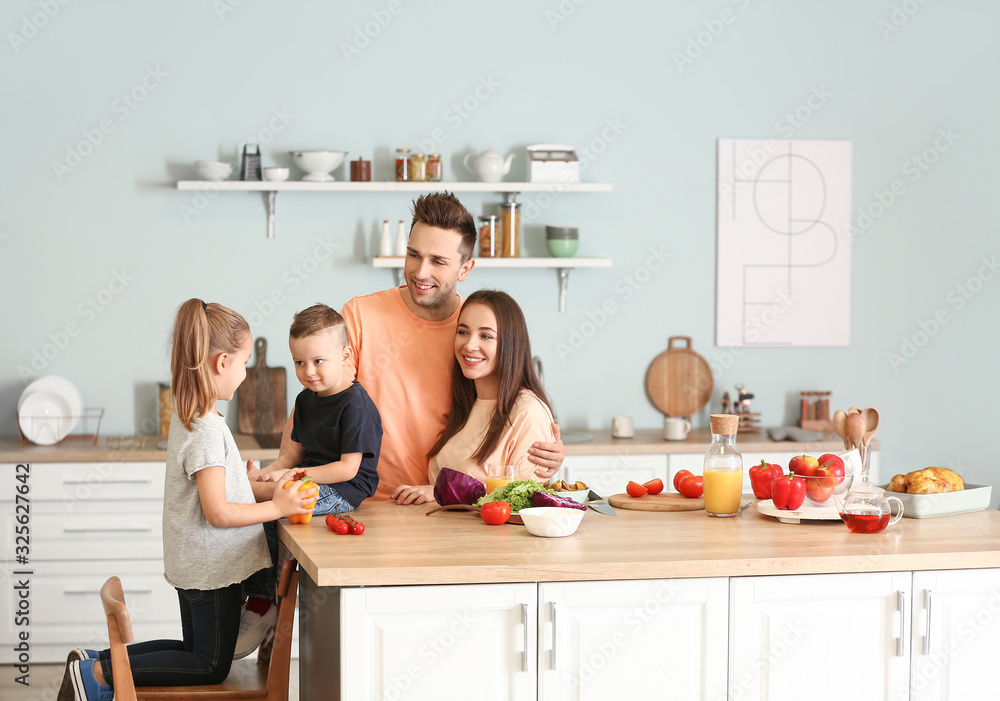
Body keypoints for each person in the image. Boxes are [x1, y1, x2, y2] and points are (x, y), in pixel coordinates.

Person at [59, 299, 316, 701]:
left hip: (195, 562)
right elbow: (217, 512)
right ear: (222, 363)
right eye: (244, 363)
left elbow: (211, 489)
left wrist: (241, 479)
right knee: (211, 665)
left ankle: (96, 662)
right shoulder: (208, 430)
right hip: (210, 568)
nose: (246, 374)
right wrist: (278, 508)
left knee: (193, 650)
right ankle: (97, 674)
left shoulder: (190, 415)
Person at [276, 191, 564, 506]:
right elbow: (319, 399)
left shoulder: (474, 330)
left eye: (438, 261)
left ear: (465, 269)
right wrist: (282, 467)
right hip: (360, 502)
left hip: (442, 506)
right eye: (414, 254)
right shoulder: (361, 315)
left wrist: (544, 449)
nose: (420, 272)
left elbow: (512, 407)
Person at [234, 304, 384, 657]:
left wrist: (288, 478)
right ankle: (252, 596)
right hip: (308, 480)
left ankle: (260, 603)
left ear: (345, 355)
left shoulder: (356, 406)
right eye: (299, 362)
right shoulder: (305, 401)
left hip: (343, 490)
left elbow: (348, 469)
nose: (308, 371)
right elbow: (290, 455)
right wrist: (268, 472)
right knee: (247, 491)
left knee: (260, 499)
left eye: (318, 361)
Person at [425, 289, 554, 491]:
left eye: (486, 335)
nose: (469, 345)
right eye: (463, 332)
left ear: (510, 344)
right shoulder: (467, 403)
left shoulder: (528, 412)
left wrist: (441, 495)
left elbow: (524, 501)